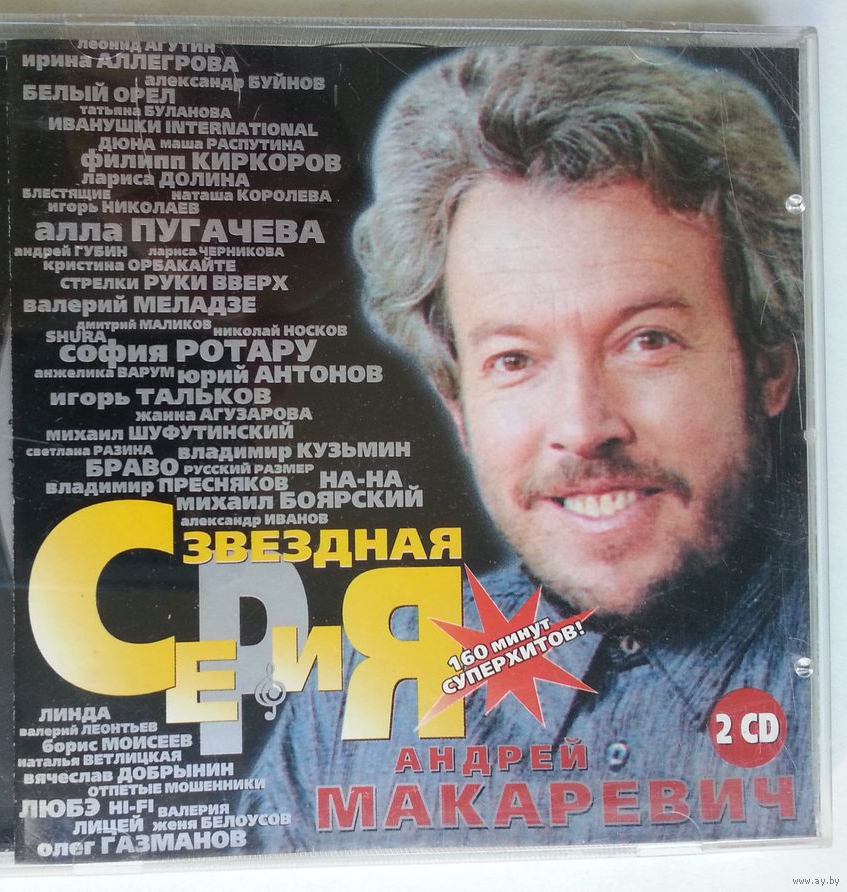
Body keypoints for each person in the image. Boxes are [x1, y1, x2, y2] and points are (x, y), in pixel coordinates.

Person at [245, 46, 813, 852]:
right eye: (515, 359)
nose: (583, 426)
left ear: (770, 365)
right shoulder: (347, 713)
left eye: (647, 340)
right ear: (458, 404)